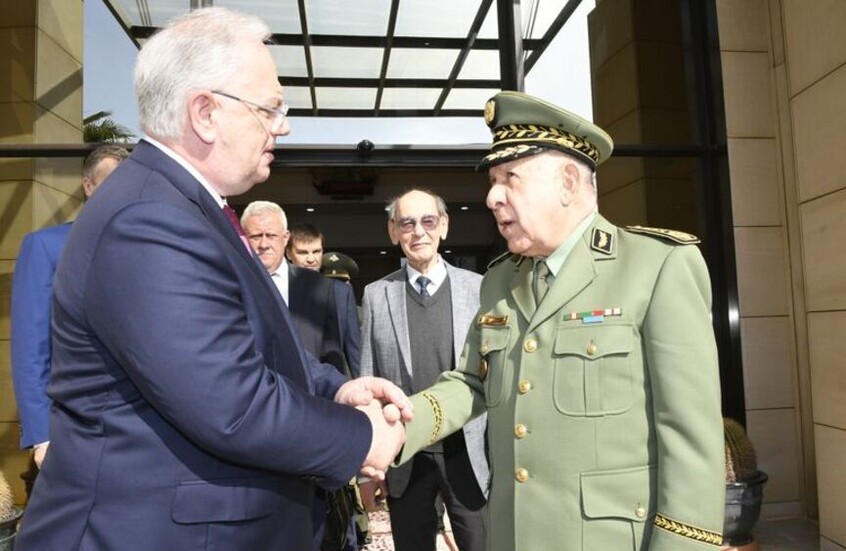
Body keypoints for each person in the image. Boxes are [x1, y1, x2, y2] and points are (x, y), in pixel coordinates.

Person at [14, 9, 409, 551]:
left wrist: (334, 387)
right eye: (269, 108)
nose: (283, 125)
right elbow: (231, 403)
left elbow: (244, 347)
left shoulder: (182, 207)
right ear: (205, 113)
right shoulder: (148, 219)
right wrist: (362, 436)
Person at [393, 91, 726, 551]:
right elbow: (471, 382)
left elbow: (690, 436)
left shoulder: (656, 266)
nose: (492, 197)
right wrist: (395, 428)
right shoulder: (500, 280)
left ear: (568, 183)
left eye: (510, 178)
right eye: (492, 181)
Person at [360, 189, 489, 551]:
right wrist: (367, 470)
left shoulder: (480, 289)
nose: (419, 232)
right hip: (405, 456)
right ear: (393, 232)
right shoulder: (376, 295)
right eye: (407, 223)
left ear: (444, 226)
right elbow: (368, 383)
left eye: (428, 221)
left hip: (468, 453)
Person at [11, 144, 129, 470]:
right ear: (88, 186)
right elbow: (30, 349)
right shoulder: (46, 247)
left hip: (139, 434)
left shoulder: (148, 249)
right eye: (110, 182)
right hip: (72, 431)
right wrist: (41, 436)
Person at [241, 200, 347, 375]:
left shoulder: (320, 286)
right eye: (256, 236)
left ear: (285, 238)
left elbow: (332, 354)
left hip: (308, 387)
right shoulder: (230, 283)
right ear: (244, 239)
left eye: (271, 235)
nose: (264, 244)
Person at [290, 225, 362, 378]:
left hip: (332, 381)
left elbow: (353, 347)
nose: (311, 259)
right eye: (303, 252)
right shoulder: (279, 288)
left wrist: (363, 385)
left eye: (316, 251)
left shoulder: (341, 292)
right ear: (289, 253)